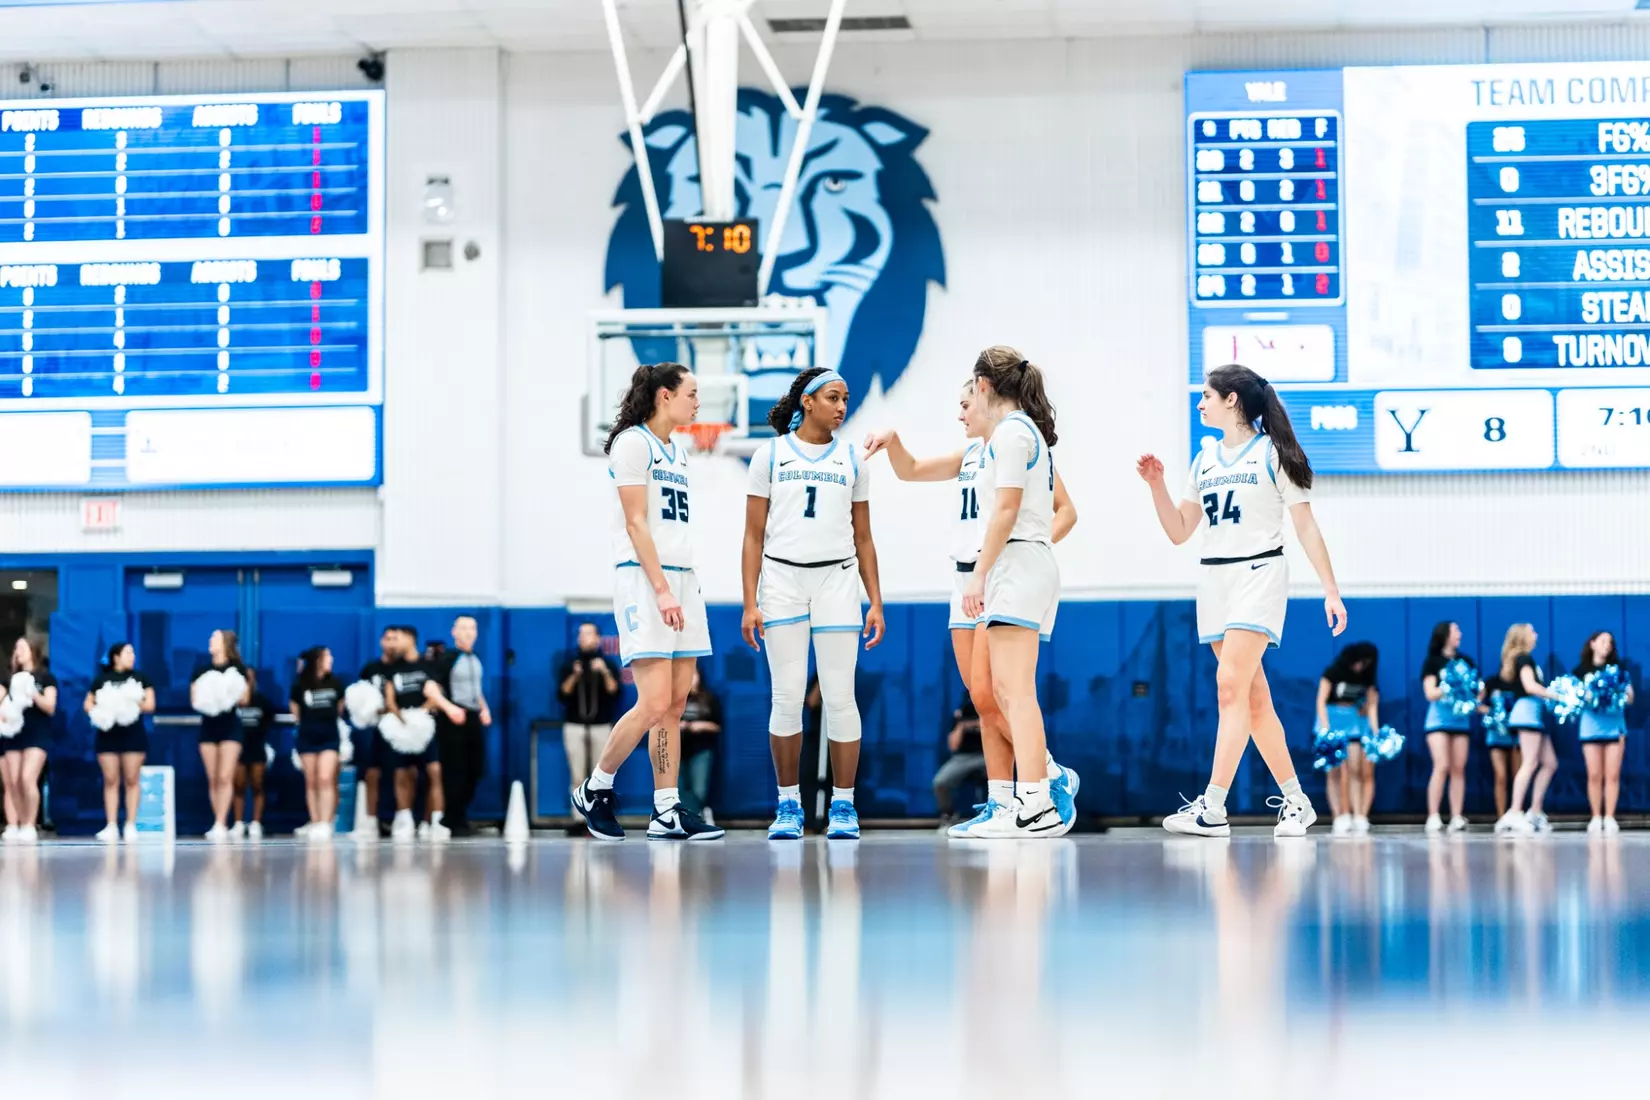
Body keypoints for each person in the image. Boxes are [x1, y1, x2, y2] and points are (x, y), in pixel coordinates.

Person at [863, 375, 1081, 839]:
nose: (960, 413)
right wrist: (894, 442)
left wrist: (1030, 547)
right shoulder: (971, 455)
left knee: (1001, 689)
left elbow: (1066, 510)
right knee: (982, 699)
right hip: (965, 578)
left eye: (965, 403)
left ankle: (1045, 778)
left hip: (998, 572)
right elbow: (912, 469)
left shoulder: (1018, 442)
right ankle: (1002, 800)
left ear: (985, 398)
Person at [1138, 363, 1345, 838]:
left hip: (1259, 571)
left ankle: (1212, 807)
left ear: (1232, 400)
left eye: (1206, 395)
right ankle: (1297, 802)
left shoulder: (1272, 452)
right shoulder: (1204, 458)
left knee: (1228, 686)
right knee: (1252, 700)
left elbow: (1306, 526)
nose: (1199, 403)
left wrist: (1330, 590)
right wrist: (1156, 487)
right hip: (1214, 581)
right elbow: (1179, 532)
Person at [572, 363, 722, 842]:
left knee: (675, 705)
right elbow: (636, 524)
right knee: (654, 700)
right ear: (664, 395)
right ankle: (595, 788)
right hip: (644, 579)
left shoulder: (676, 448)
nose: (698, 403)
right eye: (692, 393)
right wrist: (659, 589)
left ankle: (666, 808)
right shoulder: (633, 443)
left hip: (684, 576)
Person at [742, 365, 886, 841]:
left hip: (837, 581)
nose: (842, 406)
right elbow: (752, 536)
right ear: (807, 401)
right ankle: (788, 806)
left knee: (840, 696)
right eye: (833, 397)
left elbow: (865, 538)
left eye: (846, 398)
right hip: (781, 578)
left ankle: (844, 806)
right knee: (785, 697)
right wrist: (749, 602)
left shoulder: (853, 460)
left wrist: (876, 602)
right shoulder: (770, 455)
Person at [382, 626, 450, 842]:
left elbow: (436, 694)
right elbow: (389, 699)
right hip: (402, 730)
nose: (393, 643)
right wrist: (402, 719)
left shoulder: (428, 666)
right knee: (403, 774)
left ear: (410, 639)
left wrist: (420, 715)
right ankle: (404, 819)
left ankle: (436, 821)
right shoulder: (394, 669)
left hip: (425, 728)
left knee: (434, 772)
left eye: (398, 638)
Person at [87, 643, 156, 842]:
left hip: (133, 734)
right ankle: (111, 825)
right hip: (108, 734)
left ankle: (131, 825)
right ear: (116, 657)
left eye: (133, 652)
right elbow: (88, 703)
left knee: (132, 779)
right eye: (128, 652)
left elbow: (150, 704)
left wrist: (130, 701)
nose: (132, 656)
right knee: (110, 780)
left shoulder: (141, 678)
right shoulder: (102, 679)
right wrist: (105, 708)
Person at [1495, 623, 1558, 836]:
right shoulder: (1524, 658)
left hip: (1535, 715)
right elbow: (1530, 687)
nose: (1536, 634)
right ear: (1523, 637)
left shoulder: (1526, 659)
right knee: (1530, 762)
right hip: (1527, 714)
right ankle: (1513, 812)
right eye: (1532, 631)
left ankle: (1535, 811)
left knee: (1549, 763)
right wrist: (1557, 695)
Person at [431, 615, 491, 836]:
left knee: (475, 769)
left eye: (472, 628)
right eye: (463, 628)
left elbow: (476, 690)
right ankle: (454, 819)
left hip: (473, 717)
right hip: (454, 719)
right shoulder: (449, 658)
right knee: (455, 770)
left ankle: (457, 815)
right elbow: (430, 688)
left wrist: (484, 708)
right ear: (453, 632)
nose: (467, 632)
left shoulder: (474, 658)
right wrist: (449, 708)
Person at [191, 629, 251, 840]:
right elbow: (194, 699)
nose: (210, 641)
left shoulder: (239, 670)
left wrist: (226, 693)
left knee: (226, 776)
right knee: (213, 777)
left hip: (230, 727)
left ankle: (220, 822)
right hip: (208, 727)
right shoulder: (201, 670)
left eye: (214, 638)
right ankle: (217, 819)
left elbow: (245, 699)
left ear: (225, 643)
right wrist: (210, 697)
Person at [558, 622, 620, 821]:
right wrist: (575, 676)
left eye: (588, 634)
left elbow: (615, 691)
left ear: (597, 638)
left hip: (601, 725)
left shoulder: (607, 663)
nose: (584, 638)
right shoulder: (569, 663)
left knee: (600, 774)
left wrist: (603, 672)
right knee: (577, 773)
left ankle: (600, 816)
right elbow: (562, 694)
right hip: (575, 724)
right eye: (581, 634)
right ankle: (578, 818)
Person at [1419, 621, 1476, 834]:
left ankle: (1456, 816)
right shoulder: (1433, 662)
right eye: (1456, 631)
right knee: (1441, 765)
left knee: (1458, 768)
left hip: (1460, 721)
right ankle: (1433, 815)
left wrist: (1474, 692)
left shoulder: (1466, 661)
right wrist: (1450, 686)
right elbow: (1430, 693)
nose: (1460, 634)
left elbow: (1475, 691)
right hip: (1438, 721)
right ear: (1445, 635)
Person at [1317, 641, 1378, 836]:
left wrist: (1374, 731)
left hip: (1353, 725)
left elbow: (1370, 705)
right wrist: (1326, 729)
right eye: (1360, 661)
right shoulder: (1332, 672)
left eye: (1367, 663)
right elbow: (1320, 701)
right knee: (1334, 772)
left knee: (1353, 769)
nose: (1362, 666)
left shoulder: (1366, 678)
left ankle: (1357, 814)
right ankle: (1339, 815)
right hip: (1331, 723)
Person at [1575, 630, 1633, 834]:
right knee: (1594, 774)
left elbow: (1630, 697)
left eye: (1610, 642)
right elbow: (1574, 699)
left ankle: (1609, 817)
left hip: (1614, 727)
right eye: (1602, 641)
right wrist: (1588, 696)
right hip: (1591, 728)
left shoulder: (1618, 669)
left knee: (1612, 774)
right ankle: (1595, 817)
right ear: (1592, 644)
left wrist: (1615, 696)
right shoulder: (1580, 671)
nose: (1606, 645)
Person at [1, 638, 55, 843]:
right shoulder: (9, 678)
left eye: (22, 647)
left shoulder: (45, 677)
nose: (18, 651)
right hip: (13, 733)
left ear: (33, 651)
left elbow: (50, 706)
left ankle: (30, 824)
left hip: (36, 732)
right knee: (13, 781)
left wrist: (33, 693)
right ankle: (21, 823)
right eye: (16, 648)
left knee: (27, 778)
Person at [291, 646, 345, 841]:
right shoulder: (300, 685)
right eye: (328, 656)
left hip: (329, 736)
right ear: (317, 660)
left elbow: (339, 709)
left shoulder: (336, 683)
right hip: (307, 736)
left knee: (325, 778)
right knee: (311, 780)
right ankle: (315, 820)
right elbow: (296, 713)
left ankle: (326, 821)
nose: (331, 659)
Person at [355, 626, 401, 837]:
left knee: (401, 773)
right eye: (388, 639)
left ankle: (400, 819)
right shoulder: (370, 669)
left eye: (395, 639)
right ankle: (371, 820)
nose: (391, 643)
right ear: (382, 641)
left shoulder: (405, 668)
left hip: (400, 728)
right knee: (372, 774)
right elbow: (359, 698)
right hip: (375, 730)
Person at [231, 672, 276, 839]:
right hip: (238, 749)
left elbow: (269, 719)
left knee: (258, 784)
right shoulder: (233, 702)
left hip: (257, 747)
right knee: (238, 785)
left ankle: (256, 822)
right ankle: (238, 823)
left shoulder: (262, 701)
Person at [932, 696, 987, 824]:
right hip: (963, 757)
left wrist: (982, 724)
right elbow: (953, 746)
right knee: (940, 782)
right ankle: (948, 815)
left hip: (988, 755)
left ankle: (997, 815)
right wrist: (962, 724)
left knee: (1001, 780)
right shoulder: (963, 711)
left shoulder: (996, 709)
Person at [679, 670, 722, 820]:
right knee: (680, 789)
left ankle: (701, 814)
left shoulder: (709, 699)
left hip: (701, 749)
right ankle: (688, 817)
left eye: (693, 675)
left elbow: (717, 725)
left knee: (699, 789)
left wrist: (699, 725)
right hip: (678, 749)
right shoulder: (676, 700)